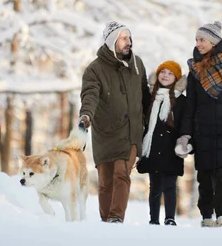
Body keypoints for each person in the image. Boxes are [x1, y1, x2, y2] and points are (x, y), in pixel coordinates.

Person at [176, 21, 222, 229]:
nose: (198, 44)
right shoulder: (195, 69)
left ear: (213, 41)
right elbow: (190, 104)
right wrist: (185, 134)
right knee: (205, 177)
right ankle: (207, 217)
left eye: (202, 40)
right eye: (196, 40)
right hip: (203, 130)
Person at [79, 21, 151, 223]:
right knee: (105, 182)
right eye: (123, 38)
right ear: (112, 42)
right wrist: (86, 116)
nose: (129, 42)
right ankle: (105, 220)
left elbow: (145, 95)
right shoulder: (94, 69)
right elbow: (90, 96)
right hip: (106, 133)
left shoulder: (138, 64)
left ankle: (116, 217)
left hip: (131, 133)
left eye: (129, 37)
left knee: (122, 173)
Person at [136, 60, 187, 226]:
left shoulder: (181, 101)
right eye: (163, 72)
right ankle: (154, 220)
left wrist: (184, 142)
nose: (165, 76)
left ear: (176, 78)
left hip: (171, 148)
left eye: (170, 73)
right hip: (152, 147)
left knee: (170, 185)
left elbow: (185, 123)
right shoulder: (150, 97)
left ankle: (170, 218)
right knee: (155, 186)